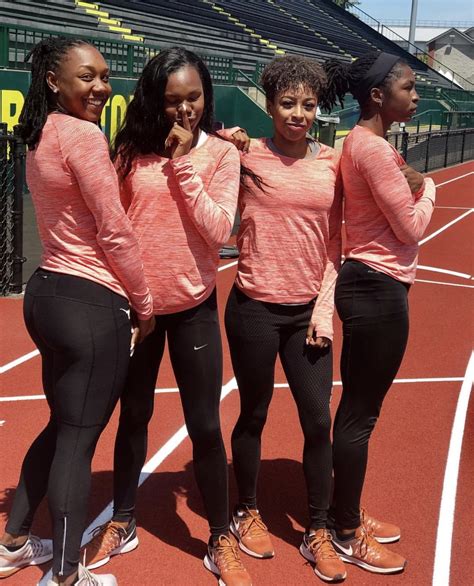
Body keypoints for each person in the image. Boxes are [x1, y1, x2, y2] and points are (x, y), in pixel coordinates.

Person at [81, 48, 252, 586]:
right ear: (156, 100)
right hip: (138, 310)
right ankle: (124, 520)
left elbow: (218, 230)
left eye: (194, 99)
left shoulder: (222, 155)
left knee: (204, 425)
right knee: (131, 418)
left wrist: (182, 165)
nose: (184, 111)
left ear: (208, 96)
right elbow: (111, 224)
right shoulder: (130, 150)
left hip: (194, 308)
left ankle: (220, 536)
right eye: (173, 100)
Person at [0, 38, 155, 586]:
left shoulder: (40, 134)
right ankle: (67, 573)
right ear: (52, 82)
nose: (100, 87)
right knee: (79, 438)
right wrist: (144, 302)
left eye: (106, 76)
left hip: (46, 295)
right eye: (86, 77)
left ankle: (15, 539)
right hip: (90, 301)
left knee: (62, 425)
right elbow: (114, 229)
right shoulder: (84, 134)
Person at [223, 55, 347, 582]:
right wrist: (225, 144)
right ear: (269, 104)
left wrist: (323, 308)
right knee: (253, 413)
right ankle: (245, 509)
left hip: (306, 316)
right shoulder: (245, 154)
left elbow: (340, 243)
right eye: (288, 103)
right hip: (252, 307)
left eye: (308, 104)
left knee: (319, 422)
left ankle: (318, 527)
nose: (299, 113)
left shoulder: (334, 163)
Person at [321, 51, 436, 574]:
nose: (414, 96)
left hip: (369, 285)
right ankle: (344, 532)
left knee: (355, 411)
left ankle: (344, 512)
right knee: (360, 417)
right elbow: (412, 228)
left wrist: (409, 179)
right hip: (377, 288)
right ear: (376, 96)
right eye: (408, 88)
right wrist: (428, 186)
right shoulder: (372, 149)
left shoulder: (363, 144)